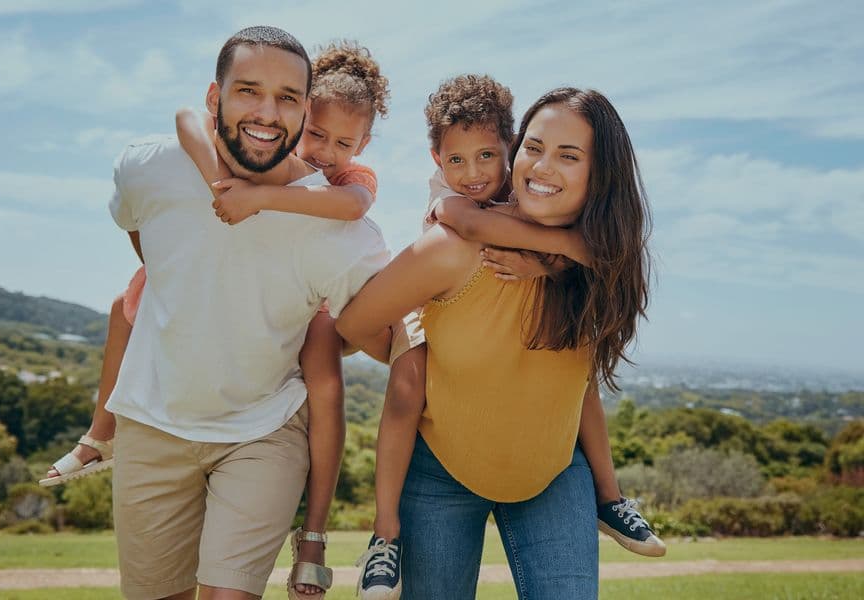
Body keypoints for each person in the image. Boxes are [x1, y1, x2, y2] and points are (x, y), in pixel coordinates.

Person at [355, 73, 663, 600]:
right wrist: (422, 361)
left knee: (579, 376)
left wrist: (563, 257)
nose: (543, 167)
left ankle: (610, 499)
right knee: (408, 390)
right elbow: (462, 228)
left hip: (554, 471)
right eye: (536, 148)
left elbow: (604, 263)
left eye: (569, 155)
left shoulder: (602, 258)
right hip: (441, 471)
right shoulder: (459, 226)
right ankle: (385, 536)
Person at [107, 26, 388, 600]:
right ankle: (96, 436)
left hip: (262, 430)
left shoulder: (337, 227)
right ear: (216, 98)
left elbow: (383, 323)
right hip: (153, 421)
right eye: (248, 91)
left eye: (287, 97)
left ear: (304, 108)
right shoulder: (148, 167)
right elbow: (140, 229)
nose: (267, 111)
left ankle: (314, 535)